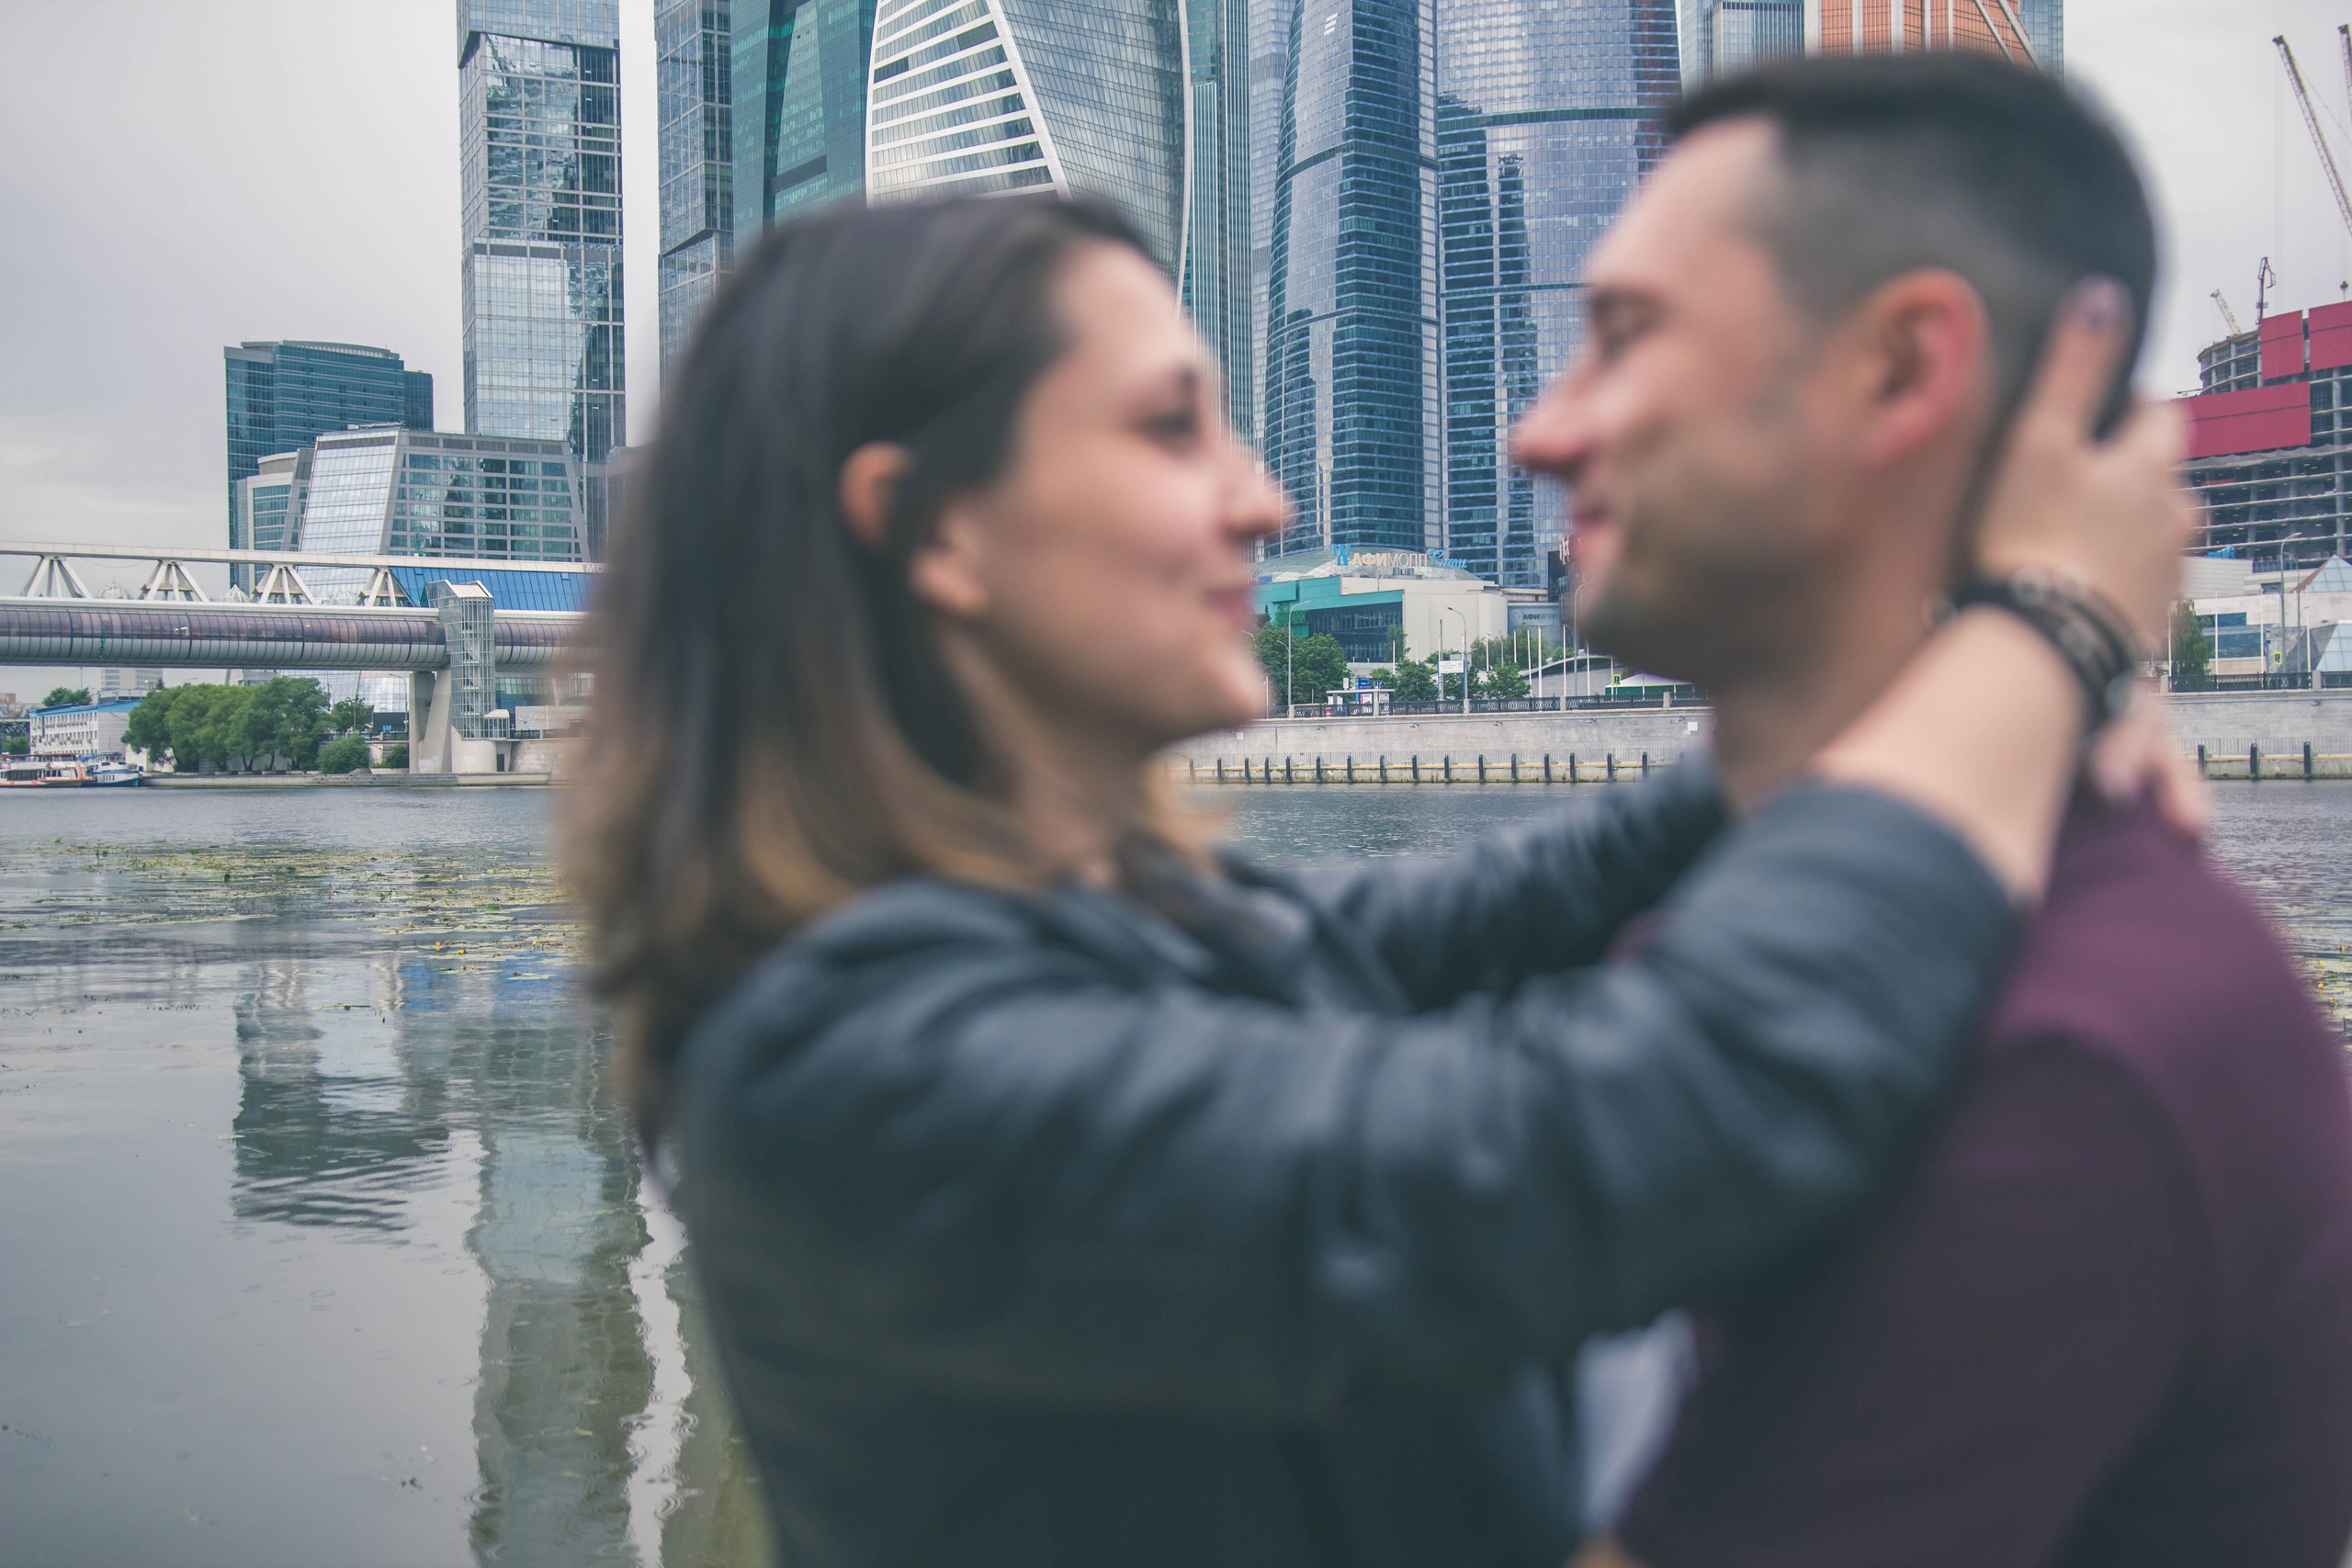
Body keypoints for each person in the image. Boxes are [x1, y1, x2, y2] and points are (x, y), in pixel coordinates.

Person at [567, 191, 2187, 1567]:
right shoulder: (844, 1070)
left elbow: (1489, 916)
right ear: (930, 531)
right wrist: (2049, 632)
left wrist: (1908, 708)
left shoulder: (1123, 920)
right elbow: (1592, 1146)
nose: (1260, 499)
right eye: (1166, 428)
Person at [1518, 54, 2352, 1568]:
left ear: (1905, 372)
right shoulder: (1784, 910)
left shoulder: (2073, 1049)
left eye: (1627, 338)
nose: (1543, 431)